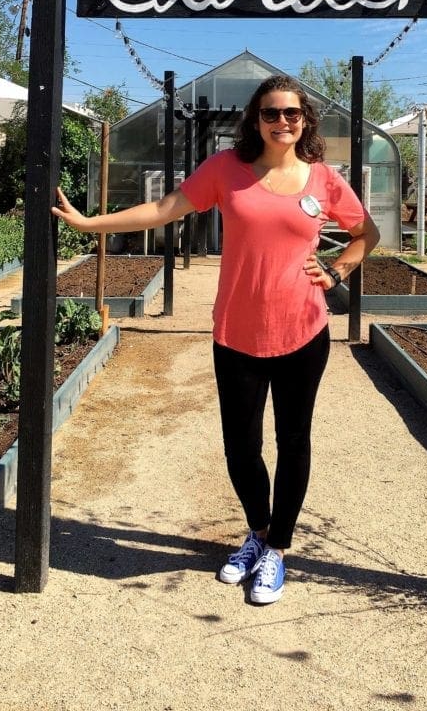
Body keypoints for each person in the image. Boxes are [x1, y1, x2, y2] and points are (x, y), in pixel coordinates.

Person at [52, 74, 379, 604]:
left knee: (294, 442)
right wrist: (91, 225)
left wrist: (338, 271)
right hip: (236, 333)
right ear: (255, 119)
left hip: (303, 331)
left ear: (305, 121)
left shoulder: (323, 179)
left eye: (292, 114)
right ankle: (259, 532)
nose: (282, 122)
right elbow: (164, 210)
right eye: (271, 113)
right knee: (240, 446)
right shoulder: (226, 171)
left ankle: (278, 550)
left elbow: (368, 233)